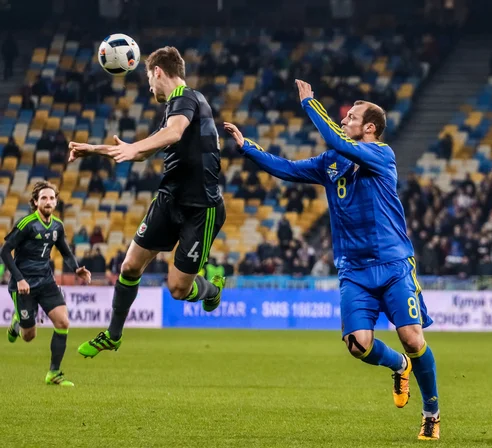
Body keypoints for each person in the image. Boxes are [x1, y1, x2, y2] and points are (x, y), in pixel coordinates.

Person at [224, 79, 440, 440]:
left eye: (352, 117)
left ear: (369, 128)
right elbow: (288, 169)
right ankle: (399, 366)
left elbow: (338, 140)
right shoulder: (331, 162)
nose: (345, 120)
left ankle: (431, 413)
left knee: (413, 339)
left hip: (392, 264)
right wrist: (248, 148)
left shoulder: (382, 154)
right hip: (354, 270)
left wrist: (310, 104)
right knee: (357, 344)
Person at [68, 46, 226, 358]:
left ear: (157, 72)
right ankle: (113, 335)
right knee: (129, 266)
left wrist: (135, 147)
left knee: (179, 290)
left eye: (148, 79)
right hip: (168, 201)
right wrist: (94, 149)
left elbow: (174, 133)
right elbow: (140, 150)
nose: (149, 87)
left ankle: (213, 288)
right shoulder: (174, 109)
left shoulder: (187, 97)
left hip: (201, 208)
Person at [0, 181, 91, 386]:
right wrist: (20, 279)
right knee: (29, 336)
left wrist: (76, 268)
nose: (48, 201)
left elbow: (65, 252)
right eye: (43, 198)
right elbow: (4, 252)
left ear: (56, 201)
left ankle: (54, 373)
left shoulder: (57, 226)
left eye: (51, 198)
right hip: (23, 285)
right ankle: (18, 321)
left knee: (63, 323)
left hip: (46, 281)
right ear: (35, 202)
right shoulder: (26, 224)